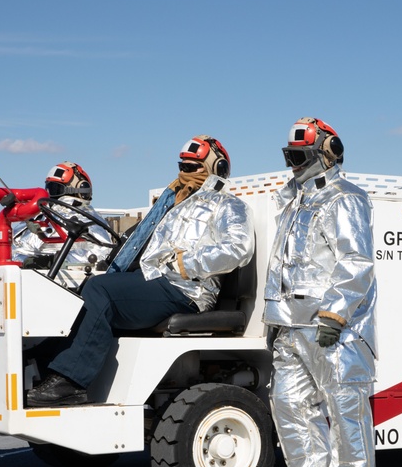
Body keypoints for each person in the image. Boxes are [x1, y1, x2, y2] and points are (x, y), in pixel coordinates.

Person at [26, 135, 254, 407]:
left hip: (187, 290)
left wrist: (186, 264)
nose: (185, 172)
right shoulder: (173, 205)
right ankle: (43, 365)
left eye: (193, 167)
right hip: (156, 280)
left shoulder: (229, 205)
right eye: (182, 166)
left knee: (101, 290)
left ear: (217, 168)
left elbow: (239, 249)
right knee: (86, 287)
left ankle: (71, 382)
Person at [263, 117, 378, 467]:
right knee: (289, 403)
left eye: (300, 155)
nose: (293, 163)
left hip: (332, 327)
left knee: (345, 405)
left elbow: (356, 261)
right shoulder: (293, 201)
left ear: (326, 153)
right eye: (289, 155)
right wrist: (273, 319)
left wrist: (336, 312)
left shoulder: (344, 198)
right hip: (290, 323)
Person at [0, 129, 112, 269]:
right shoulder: (40, 216)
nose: (52, 194)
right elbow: (15, 246)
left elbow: (99, 254)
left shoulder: (88, 221)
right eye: (50, 188)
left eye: (57, 189)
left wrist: (40, 261)